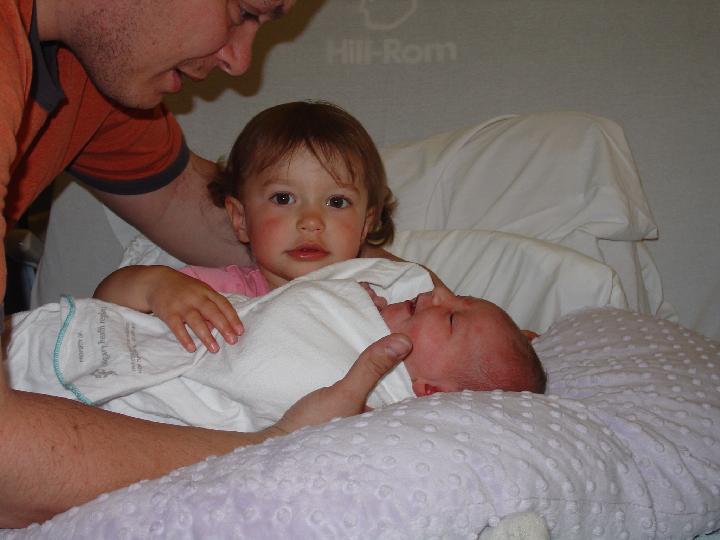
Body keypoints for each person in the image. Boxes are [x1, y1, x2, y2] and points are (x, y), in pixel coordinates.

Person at [0, 0, 411, 527]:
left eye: (336, 203)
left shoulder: (92, 81)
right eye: (244, 10)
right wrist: (275, 446)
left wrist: (412, 287)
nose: (240, 62)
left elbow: (186, 202)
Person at [5, 259, 545, 432]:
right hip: (53, 343)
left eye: (450, 317)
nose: (434, 293)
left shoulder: (369, 409)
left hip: (67, 415)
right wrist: (156, 284)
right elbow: (113, 300)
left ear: (428, 392)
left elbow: (263, 377)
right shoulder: (347, 292)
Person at [94, 100, 399, 354]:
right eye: (283, 198)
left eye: (336, 202)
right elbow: (102, 306)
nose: (311, 221)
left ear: (365, 225)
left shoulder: (380, 303)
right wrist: (156, 285)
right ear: (240, 219)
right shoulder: (216, 291)